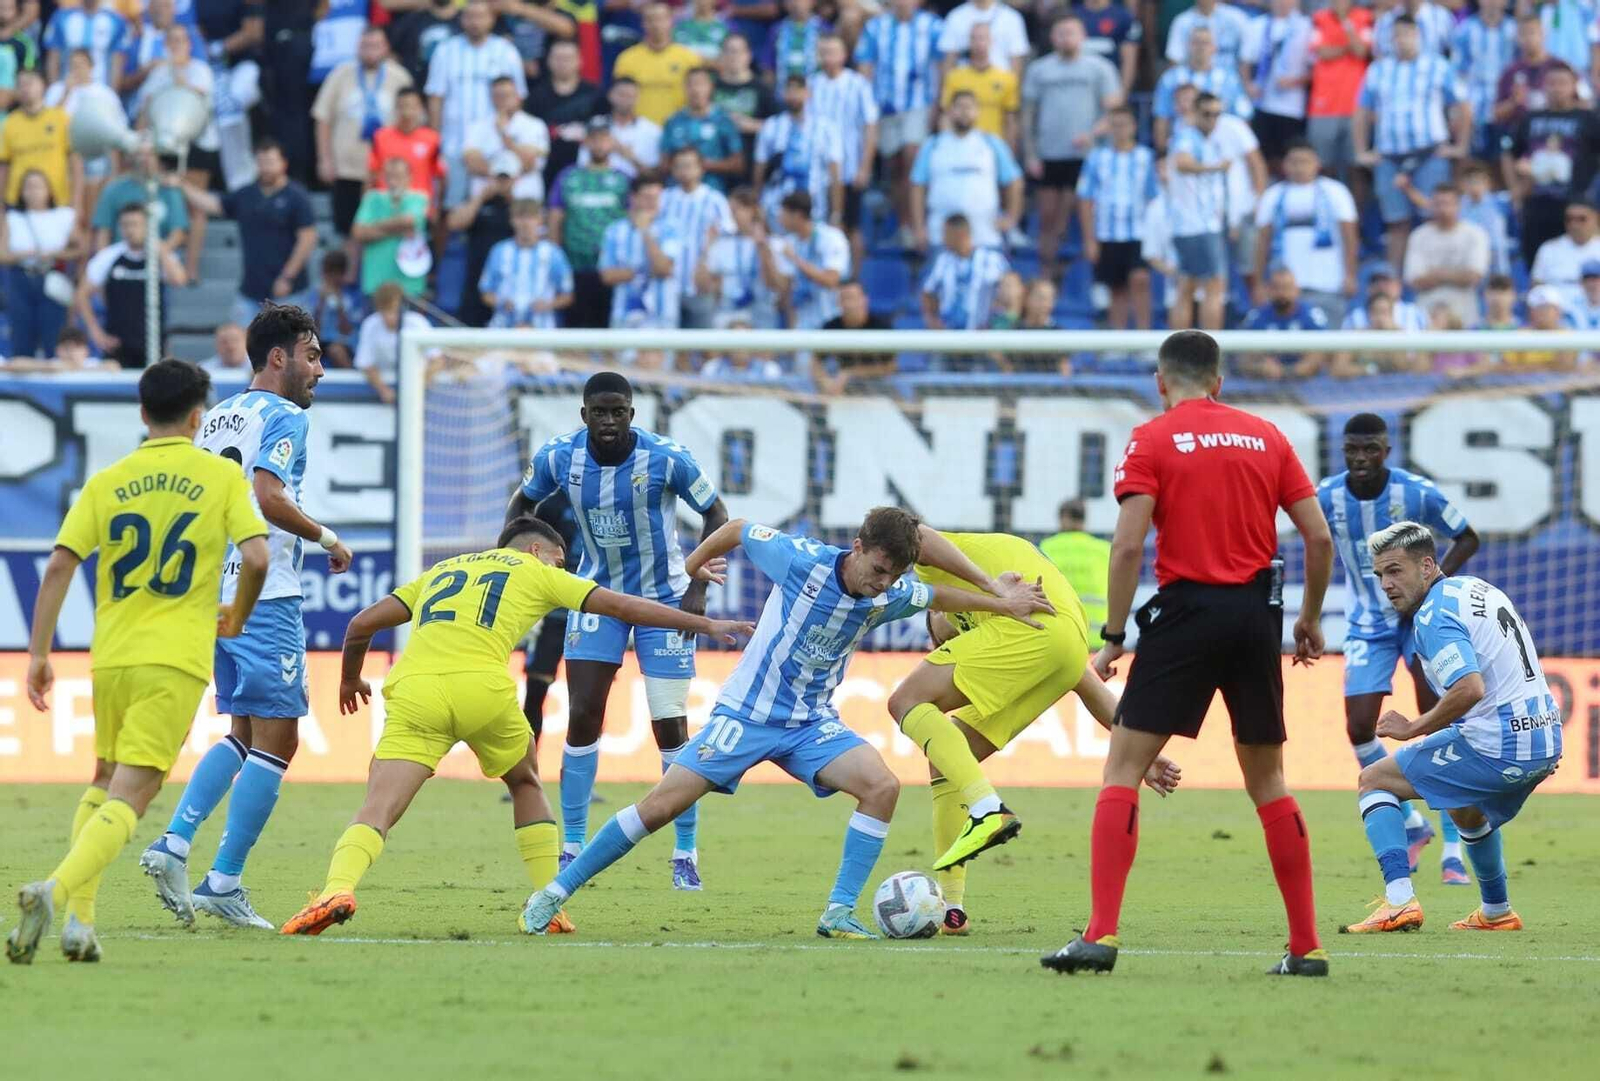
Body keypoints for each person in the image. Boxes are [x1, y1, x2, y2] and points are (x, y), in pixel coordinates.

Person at [519, 507, 1053, 939]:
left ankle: (838, 913)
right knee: (660, 807)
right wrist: (694, 566)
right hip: (747, 714)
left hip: (810, 724)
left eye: (893, 575)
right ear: (859, 547)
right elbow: (734, 528)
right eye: (878, 569)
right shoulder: (800, 559)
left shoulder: (889, 592)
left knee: (883, 786)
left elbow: (935, 594)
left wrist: (1002, 605)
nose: (882, 584)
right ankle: (553, 894)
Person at [277, 516, 754, 938]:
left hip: (415, 690)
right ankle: (550, 904)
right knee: (524, 780)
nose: (562, 568)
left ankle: (336, 889)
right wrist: (707, 626)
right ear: (535, 550)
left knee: (377, 806)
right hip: (483, 690)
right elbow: (624, 608)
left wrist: (349, 678)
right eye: (560, 559)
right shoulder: (535, 573)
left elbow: (361, 623)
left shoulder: (442, 571)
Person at [1041, 329, 1334, 978]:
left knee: (1122, 766)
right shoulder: (1268, 435)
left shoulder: (1153, 437)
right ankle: (1307, 946)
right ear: (1220, 380)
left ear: (1160, 381)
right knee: (1269, 781)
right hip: (1259, 615)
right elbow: (1317, 536)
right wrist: (1309, 619)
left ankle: (1101, 934)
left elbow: (1125, 546)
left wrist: (1114, 635)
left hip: (1187, 610)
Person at [4, 360, 268, 966]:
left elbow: (60, 566)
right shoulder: (219, 476)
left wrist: (40, 655)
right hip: (173, 660)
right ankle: (55, 891)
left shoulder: (108, 480)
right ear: (199, 416)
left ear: (143, 414)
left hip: (112, 658)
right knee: (136, 793)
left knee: (103, 781)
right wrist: (238, 614)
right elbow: (255, 557)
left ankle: (80, 925)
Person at [140, 305, 354, 931]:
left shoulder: (218, 418)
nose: (320, 369)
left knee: (241, 731)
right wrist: (327, 538)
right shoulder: (285, 416)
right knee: (280, 738)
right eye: (312, 356)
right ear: (279, 357)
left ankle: (175, 844)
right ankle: (224, 879)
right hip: (265, 593)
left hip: (217, 594)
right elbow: (267, 496)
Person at [890, 526, 1180, 934]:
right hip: (1065, 642)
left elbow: (914, 531)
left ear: (936, 618)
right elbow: (1085, 681)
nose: (943, 647)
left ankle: (987, 808)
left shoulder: (946, 573)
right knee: (947, 758)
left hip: (1043, 632)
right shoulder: (993, 616)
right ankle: (953, 909)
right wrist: (1140, 751)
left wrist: (990, 588)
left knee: (906, 700)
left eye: (941, 640)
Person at [505, 372, 730, 891]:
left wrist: (698, 581)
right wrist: (515, 558)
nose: (609, 422)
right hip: (596, 596)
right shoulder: (560, 457)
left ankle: (685, 849)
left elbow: (715, 511)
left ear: (633, 413)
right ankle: (573, 845)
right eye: (599, 413)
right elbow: (523, 505)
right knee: (582, 714)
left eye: (619, 412)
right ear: (583, 415)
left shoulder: (666, 457)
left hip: (664, 599)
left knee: (669, 727)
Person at [1340, 522, 1560, 934]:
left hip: (1500, 744)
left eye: (1394, 571)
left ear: (1426, 566)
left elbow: (1469, 688)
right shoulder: (1477, 589)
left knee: (1374, 781)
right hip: (1544, 737)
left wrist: (1413, 727)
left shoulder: (1433, 617)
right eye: (1379, 575)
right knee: (1464, 808)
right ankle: (1496, 912)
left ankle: (1399, 902)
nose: (1385, 584)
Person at [1316, 414, 1480, 889]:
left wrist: (1431, 582)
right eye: (1352, 449)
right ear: (1343, 450)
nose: (1360, 458)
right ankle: (1412, 822)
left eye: (1370, 449)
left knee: (1439, 724)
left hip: (1419, 618)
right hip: (1366, 623)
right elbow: (1316, 542)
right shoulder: (1327, 496)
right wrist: (1310, 613)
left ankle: (1454, 851)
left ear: (1387, 450)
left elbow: (1467, 535)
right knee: (1359, 727)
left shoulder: (1415, 492)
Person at [1354, 14, 1472, 270]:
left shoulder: (1438, 66)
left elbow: (1462, 105)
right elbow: (1362, 111)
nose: (1402, 40)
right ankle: (1394, 282)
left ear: (1418, 36)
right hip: (1389, 156)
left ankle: (1436, 275)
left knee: (1435, 216)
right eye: (1397, 35)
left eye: (1408, 34)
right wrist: (1362, 150)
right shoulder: (1378, 70)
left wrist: (1460, 145)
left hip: (1429, 153)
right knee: (1396, 223)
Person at [1023, 15, 1121, 282]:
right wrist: (1031, 154)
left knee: (1086, 218)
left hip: (1086, 156)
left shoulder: (1099, 68)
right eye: (1061, 33)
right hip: (1050, 154)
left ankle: (1093, 278)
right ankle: (1046, 273)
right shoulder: (1039, 70)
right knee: (1048, 217)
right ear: (1053, 38)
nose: (1066, 38)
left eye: (1071, 32)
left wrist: (1092, 134)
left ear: (1083, 36)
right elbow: (1028, 115)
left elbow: (1114, 111)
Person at [181, 139, 317, 330]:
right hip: (251, 290)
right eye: (261, 163)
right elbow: (215, 205)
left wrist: (288, 276)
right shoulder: (247, 194)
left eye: (270, 162)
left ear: (283, 163)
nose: (265, 168)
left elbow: (307, 238)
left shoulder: (296, 196)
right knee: (242, 344)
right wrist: (182, 186)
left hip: (290, 292)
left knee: (290, 349)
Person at [312, 27, 412, 254]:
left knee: (383, 226)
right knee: (347, 229)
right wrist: (324, 159)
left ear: (386, 48)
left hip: (387, 173)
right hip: (347, 168)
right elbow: (322, 117)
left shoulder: (400, 77)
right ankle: (349, 281)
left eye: (376, 45)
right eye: (365, 46)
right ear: (357, 47)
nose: (370, 52)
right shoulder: (341, 74)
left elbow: (412, 120)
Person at [854, 0, 943, 248]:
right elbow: (865, 66)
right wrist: (867, 106)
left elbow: (941, 65)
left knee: (912, 158)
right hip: (885, 106)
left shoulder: (933, 26)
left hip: (919, 104)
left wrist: (939, 104)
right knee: (895, 166)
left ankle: (919, 225)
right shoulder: (875, 27)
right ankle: (904, 226)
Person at [424, 0, 526, 209]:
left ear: (491, 19)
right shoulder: (446, 50)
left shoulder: (505, 51)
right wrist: (436, 143)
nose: (475, 22)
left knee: (495, 208)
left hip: (493, 148)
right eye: (469, 16)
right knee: (449, 207)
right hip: (453, 143)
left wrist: (511, 138)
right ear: (461, 19)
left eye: (481, 16)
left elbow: (517, 99)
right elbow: (435, 99)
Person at [1251, 140, 1358, 327]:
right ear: (1284, 165)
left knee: (1329, 343)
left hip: (1328, 282)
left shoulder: (1336, 191)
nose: (1299, 167)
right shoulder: (1272, 195)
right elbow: (1262, 243)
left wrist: (1350, 274)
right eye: (1294, 161)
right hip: (1284, 288)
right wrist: (1259, 283)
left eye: (1305, 161)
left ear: (1317, 163)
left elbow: (1350, 237)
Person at [1503, 63, 1600, 268]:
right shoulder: (1530, 118)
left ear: (1574, 85)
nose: (1557, 88)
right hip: (1536, 204)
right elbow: (1509, 153)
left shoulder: (1589, 119)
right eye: (1551, 83)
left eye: (1563, 83)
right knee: (1537, 264)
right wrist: (1516, 191)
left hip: (1575, 208)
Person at [75, 203, 186, 370]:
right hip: (117, 344)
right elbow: (82, 294)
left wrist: (161, 250)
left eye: (135, 224)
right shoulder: (109, 256)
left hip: (153, 343)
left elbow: (179, 280)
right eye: (125, 225)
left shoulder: (159, 256)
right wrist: (96, 332)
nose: (130, 230)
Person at [909, 90, 1022, 252]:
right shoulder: (933, 145)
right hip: (940, 235)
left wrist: (1011, 218)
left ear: (977, 112)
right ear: (950, 111)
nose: (964, 112)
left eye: (969, 107)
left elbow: (1014, 181)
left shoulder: (991, 143)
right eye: (959, 107)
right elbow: (917, 186)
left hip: (985, 235)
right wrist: (919, 228)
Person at [1076, 106, 1156, 331]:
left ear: (1134, 127)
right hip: (1107, 232)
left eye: (1125, 124)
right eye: (1115, 124)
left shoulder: (1145, 157)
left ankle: (1144, 339)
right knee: (1116, 288)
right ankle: (1117, 339)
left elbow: (1154, 198)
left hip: (1139, 232)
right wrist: (1089, 239)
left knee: (1140, 281)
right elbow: (1085, 199)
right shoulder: (1096, 158)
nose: (1120, 129)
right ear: (1109, 128)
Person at [549, 119, 631, 329]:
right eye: (593, 138)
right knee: (575, 328)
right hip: (575, 264)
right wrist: (555, 259)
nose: (599, 144)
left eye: (604, 138)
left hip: (611, 269)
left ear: (612, 142)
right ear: (585, 142)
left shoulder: (623, 179)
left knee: (608, 328)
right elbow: (555, 218)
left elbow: (632, 221)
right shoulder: (569, 176)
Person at [806, 33, 877, 263]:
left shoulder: (858, 85)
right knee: (819, 225)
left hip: (849, 166)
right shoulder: (812, 84)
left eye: (833, 52)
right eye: (824, 52)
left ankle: (853, 279)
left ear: (844, 55)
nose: (828, 57)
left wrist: (865, 167)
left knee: (850, 224)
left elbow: (870, 127)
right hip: (818, 170)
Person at [1167, 92, 1231, 331]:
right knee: (1214, 286)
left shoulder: (1206, 141)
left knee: (1188, 285)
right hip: (1198, 225)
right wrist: (1216, 167)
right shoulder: (1187, 137)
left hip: (1193, 225)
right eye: (1206, 114)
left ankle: (1181, 355)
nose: (1212, 120)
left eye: (1217, 114)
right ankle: (1211, 352)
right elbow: (1182, 163)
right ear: (1193, 113)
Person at [0, 167, 80, 359]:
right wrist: (24, 254)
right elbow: (2, 254)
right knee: (21, 334)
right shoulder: (12, 218)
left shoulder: (64, 215)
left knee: (53, 334)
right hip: (21, 277)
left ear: (49, 191)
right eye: (28, 187)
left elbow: (79, 249)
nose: (33, 191)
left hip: (52, 276)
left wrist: (54, 254)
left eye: (38, 186)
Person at [752, 73, 842, 230]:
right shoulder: (771, 126)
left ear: (808, 93)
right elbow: (760, 168)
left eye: (798, 90)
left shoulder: (826, 128)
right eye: (789, 91)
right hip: (777, 206)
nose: (794, 96)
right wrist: (757, 205)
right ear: (782, 94)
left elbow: (834, 173)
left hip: (815, 205)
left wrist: (836, 212)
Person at [659, 145, 734, 329]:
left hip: (701, 284)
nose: (684, 171)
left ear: (701, 168)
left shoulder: (715, 200)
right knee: (670, 347)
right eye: (679, 166)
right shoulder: (663, 199)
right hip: (667, 286)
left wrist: (713, 275)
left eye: (689, 165)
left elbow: (726, 240)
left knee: (704, 344)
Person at [1402, 182, 1490, 327]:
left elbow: (1474, 276)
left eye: (1447, 203)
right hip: (1426, 315)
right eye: (1438, 204)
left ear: (1458, 205)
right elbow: (1414, 280)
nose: (1443, 209)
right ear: (1431, 206)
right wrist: (1457, 275)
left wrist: (1436, 274)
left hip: (1465, 313)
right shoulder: (1419, 235)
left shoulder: (1475, 234)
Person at [1305, 0, 1374, 185]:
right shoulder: (1319, 18)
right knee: (1324, 164)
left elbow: (1361, 51)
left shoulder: (1365, 17)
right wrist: (1346, 48)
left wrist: (1347, 25)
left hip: (1355, 104)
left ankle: (1356, 212)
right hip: (1323, 104)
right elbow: (1322, 52)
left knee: (1356, 166)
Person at [479, 198, 575, 328]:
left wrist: (547, 304)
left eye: (530, 217)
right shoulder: (499, 251)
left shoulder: (553, 253)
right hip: (502, 329)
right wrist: (501, 303)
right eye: (520, 217)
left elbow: (567, 295)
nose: (525, 223)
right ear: (511, 220)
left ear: (540, 220)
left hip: (542, 330)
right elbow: (485, 292)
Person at [1152, 26, 1251, 152]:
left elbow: (1243, 118)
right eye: (1196, 42)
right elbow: (1161, 118)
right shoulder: (1170, 78)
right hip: (1181, 149)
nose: (1200, 47)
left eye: (1205, 42)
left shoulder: (1230, 79)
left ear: (1214, 47)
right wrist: (1161, 154)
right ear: (1188, 46)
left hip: (1222, 149)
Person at [1240, 0, 1314, 168]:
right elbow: (1245, 62)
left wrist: (1295, 81)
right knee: (1262, 156)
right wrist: (1249, 85)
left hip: (1292, 107)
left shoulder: (1306, 26)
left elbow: (1315, 69)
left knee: (1288, 157)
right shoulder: (1257, 25)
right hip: (1262, 103)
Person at [526, 39, 606, 192]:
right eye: (558, 58)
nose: (563, 63)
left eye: (568, 58)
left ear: (579, 61)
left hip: (585, 168)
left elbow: (603, 131)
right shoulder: (536, 96)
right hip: (546, 166)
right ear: (548, 61)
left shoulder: (594, 94)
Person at [767, 188, 849, 329]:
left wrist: (795, 259)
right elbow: (784, 286)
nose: (779, 219)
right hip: (802, 322)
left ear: (797, 215)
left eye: (783, 214)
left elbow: (831, 280)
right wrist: (766, 254)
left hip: (831, 318)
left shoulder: (831, 238)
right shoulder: (789, 242)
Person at [352, 155, 431, 298]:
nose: (394, 182)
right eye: (389, 176)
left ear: (409, 177)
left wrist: (373, 228)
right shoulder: (372, 198)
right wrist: (397, 229)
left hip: (408, 284)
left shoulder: (419, 197)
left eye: (399, 177)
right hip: (376, 283)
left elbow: (408, 221)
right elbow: (358, 233)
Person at [613, 2, 705, 125]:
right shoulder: (626, 59)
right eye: (650, 20)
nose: (656, 25)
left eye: (661, 19)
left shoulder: (689, 58)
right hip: (640, 131)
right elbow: (620, 99)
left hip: (678, 130)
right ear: (643, 23)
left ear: (671, 21)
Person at [462, 74, 550, 204]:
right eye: (498, 96)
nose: (502, 100)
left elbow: (530, 163)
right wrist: (502, 179)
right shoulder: (477, 126)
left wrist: (504, 134)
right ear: (491, 98)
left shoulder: (535, 125)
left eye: (507, 95)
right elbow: (472, 163)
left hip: (524, 198)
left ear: (517, 97)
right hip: (487, 196)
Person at [0, 68, 75, 211]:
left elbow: (75, 162)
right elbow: (3, 167)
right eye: (20, 85)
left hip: (57, 200)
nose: (25, 89)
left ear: (43, 85)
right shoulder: (10, 123)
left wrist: (77, 204)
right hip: (17, 203)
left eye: (30, 83)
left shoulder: (60, 118)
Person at [919, 213, 1009, 331]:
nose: (943, 239)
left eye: (946, 234)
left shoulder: (992, 260)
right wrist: (932, 321)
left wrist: (995, 323)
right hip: (948, 340)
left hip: (984, 337)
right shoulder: (943, 261)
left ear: (959, 234)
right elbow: (928, 292)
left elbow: (1009, 293)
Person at [1236, 264, 1329, 378]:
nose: (1281, 293)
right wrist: (1261, 366)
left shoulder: (1311, 315)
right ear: (1268, 289)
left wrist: (1287, 371)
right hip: (1265, 385)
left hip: (1308, 385)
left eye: (1286, 288)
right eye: (1276, 287)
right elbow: (1243, 359)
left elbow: (1321, 355)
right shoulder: (1257, 317)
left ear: (1296, 290)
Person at [661, 67, 746, 192]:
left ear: (710, 87)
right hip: (677, 193)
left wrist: (702, 165)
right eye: (691, 84)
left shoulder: (723, 120)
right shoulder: (673, 121)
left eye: (700, 84)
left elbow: (738, 164)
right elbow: (664, 164)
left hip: (712, 190)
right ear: (684, 88)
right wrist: (683, 168)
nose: (696, 89)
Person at [712, 33, 780, 184]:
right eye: (728, 51)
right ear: (721, 55)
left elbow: (780, 127)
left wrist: (753, 125)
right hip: (716, 167)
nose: (733, 56)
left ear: (748, 55)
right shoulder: (711, 87)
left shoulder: (762, 89)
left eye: (738, 51)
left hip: (751, 165)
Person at [1450, 0, 1515, 159]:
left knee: (1504, 158)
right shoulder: (1464, 30)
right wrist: (1460, 106)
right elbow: (1457, 73)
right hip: (1473, 109)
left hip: (1506, 106)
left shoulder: (1514, 29)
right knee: (1472, 162)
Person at [1040, 500, 1111, 644]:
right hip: (1098, 637)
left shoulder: (1047, 548)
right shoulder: (1105, 550)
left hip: (1060, 638)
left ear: (1064, 517)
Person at [367, 86, 445, 214]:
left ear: (421, 109)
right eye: (402, 106)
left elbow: (440, 177)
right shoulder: (381, 137)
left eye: (413, 107)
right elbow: (371, 175)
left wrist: (437, 208)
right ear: (395, 109)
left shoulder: (432, 139)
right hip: (385, 210)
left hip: (419, 211)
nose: (407, 112)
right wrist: (368, 208)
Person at [940, 23, 1019, 146]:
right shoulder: (954, 77)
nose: (978, 43)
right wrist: (946, 144)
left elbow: (1010, 119)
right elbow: (946, 115)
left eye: (982, 38)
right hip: (961, 145)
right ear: (969, 42)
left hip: (994, 146)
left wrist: (1009, 152)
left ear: (991, 41)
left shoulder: (1006, 78)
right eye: (974, 38)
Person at [353, 281, 430, 405]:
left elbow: (437, 361)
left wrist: (416, 388)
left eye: (394, 310)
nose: (390, 317)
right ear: (378, 309)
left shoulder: (418, 323)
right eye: (385, 311)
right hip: (385, 390)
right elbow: (365, 363)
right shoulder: (370, 324)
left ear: (403, 306)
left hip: (420, 393)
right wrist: (383, 390)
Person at [816, 277, 894, 392]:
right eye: (845, 298)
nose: (850, 304)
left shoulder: (881, 328)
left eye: (853, 298)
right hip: (844, 390)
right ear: (839, 303)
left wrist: (851, 373)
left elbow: (890, 368)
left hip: (880, 388)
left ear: (865, 299)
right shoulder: (831, 328)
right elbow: (815, 362)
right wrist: (825, 383)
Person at [578, 77, 661, 179]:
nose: (625, 100)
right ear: (610, 95)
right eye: (621, 95)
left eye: (630, 96)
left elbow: (654, 176)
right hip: (599, 187)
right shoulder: (595, 126)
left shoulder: (652, 131)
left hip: (636, 190)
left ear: (638, 98)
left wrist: (627, 154)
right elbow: (582, 165)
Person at [295, 250, 365, 369]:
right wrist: (321, 303)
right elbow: (313, 328)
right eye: (328, 273)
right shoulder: (314, 294)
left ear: (343, 274)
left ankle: (351, 381)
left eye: (336, 273)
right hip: (319, 340)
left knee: (336, 350)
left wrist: (339, 304)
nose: (332, 278)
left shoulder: (353, 296)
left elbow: (347, 330)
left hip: (345, 342)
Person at [1530, 200, 1600, 310]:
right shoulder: (1549, 249)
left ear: (1596, 218)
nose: (1574, 225)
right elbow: (1537, 288)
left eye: (1582, 219)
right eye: (1569, 219)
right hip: (1557, 317)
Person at [41, 0, 128, 87]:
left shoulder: (116, 20)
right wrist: (54, 88)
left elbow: (117, 60)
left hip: (100, 88)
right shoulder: (61, 17)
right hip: (67, 87)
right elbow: (53, 57)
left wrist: (112, 92)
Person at [937, 0, 1030, 75]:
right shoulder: (955, 16)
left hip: (999, 90)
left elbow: (1017, 63)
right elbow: (949, 61)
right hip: (963, 90)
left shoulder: (1012, 18)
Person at [1074, 0, 1142, 94]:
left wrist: (1122, 95)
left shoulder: (1124, 17)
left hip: (1110, 88)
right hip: (1077, 86)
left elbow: (1129, 61)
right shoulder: (1071, 16)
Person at [1165, 0, 1250, 68]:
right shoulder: (1182, 21)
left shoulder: (1236, 17)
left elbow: (1246, 57)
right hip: (1192, 82)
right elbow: (1175, 60)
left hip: (1229, 82)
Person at [765, 0, 831, 84]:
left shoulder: (824, 29)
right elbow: (768, 67)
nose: (796, 3)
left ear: (813, 2)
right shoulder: (776, 30)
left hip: (818, 91)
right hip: (785, 92)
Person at [1371, 0, 1454, 59]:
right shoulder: (1385, 21)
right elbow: (1379, 57)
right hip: (1396, 80)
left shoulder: (1443, 17)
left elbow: (1452, 54)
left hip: (1434, 79)